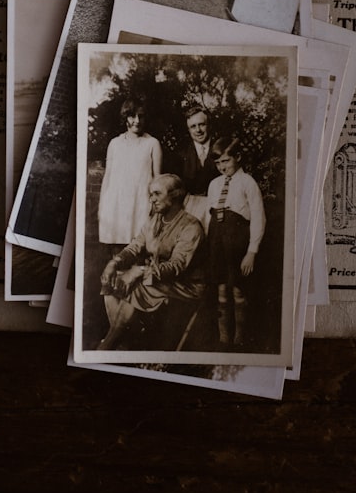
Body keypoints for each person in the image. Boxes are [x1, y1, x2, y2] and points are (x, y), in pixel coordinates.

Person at [97, 174, 206, 351]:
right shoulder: (155, 220)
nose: (152, 199)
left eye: (157, 194)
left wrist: (139, 271)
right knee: (112, 280)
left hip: (186, 284)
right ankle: (122, 340)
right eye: (150, 194)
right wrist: (114, 264)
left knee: (137, 284)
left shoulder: (191, 227)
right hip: (157, 276)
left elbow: (176, 266)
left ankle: (108, 346)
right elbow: (135, 246)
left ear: (175, 195)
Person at [206, 137, 266, 349]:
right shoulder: (214, 184)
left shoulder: (247, 182)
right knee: (221, 288)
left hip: (238, 243)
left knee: (238, 290)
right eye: (218, 163)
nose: (222, 167)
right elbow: (209, 217)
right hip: (216, 242)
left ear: (238, 157)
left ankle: (239, 336)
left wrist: (252, 251)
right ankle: (224, 338)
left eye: (226, 161)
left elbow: (258, 217)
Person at [98, 97, 162, 253]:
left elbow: (158, 179)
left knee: (139, 251)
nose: (137, 120)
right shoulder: (115, 143)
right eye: (132, 116)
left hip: (140, 204)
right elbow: (108, 176)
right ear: (125, 117)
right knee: (116, 254)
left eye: (141, 116)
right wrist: (102, 205)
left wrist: (155, 204)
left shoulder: (152, 143)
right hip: (116, 205)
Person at [170, 106, 220, 228]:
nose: (198, 130)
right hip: (190, 206)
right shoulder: (180, 153)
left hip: (217, 205)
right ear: (188, 129)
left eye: (202, 124)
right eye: (193, 126)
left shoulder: (220, 149)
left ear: (209, 125)